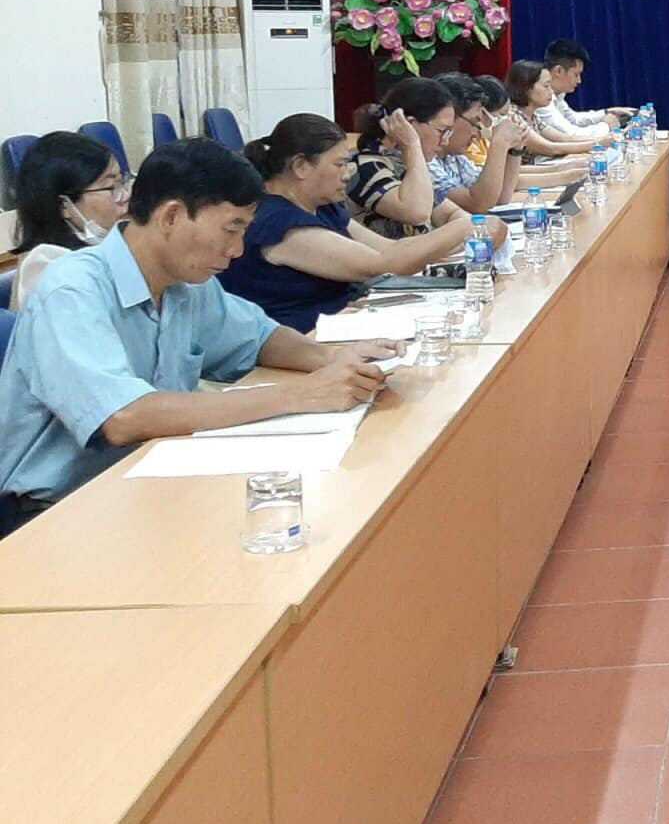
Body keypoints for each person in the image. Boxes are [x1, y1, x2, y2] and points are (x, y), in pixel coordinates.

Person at [0, 139, 397, 533]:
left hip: (148, 477)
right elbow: (123, 418)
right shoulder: (72, 289)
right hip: (55, 512)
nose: (237, 250)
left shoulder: (185, 282)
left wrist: (333, 359)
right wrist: (302, 394)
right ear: (171, 216)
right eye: (231, 229)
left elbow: (260, 337)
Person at [224, 115, 491, 332]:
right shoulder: (278, 223)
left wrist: (460, 237)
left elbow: (388, 248)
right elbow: (386, 263)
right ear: (301, 166)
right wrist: (468, 226)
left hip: (344, 325)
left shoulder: (322, 206)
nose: (346, 175)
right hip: (304, 343)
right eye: (339, 165)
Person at [9, 132, 128, 305]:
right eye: (111, 187)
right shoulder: (46, 266)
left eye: (122, 182)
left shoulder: (113, 245)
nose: (125, 196)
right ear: (64, 206)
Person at [346, 77, 466, 239]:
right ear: (409, 125)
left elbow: (451, 214)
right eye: (442, 131)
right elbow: (417, 212)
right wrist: (411, 144)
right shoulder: (364, 167)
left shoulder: (406, 164)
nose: (445, 141)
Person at [428, 74, 524, 213]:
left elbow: (499, 197)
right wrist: (499, 144)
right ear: (449, 117)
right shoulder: (425, 159)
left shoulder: (454, 157)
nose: (477, 132)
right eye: (474, 122)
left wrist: (516, 150)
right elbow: (478, 205)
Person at [507, 59, 606, 157]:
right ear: (526, 88)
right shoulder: (514, 118)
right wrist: (599, 144)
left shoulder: (534, 117)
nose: (551, 91)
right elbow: (551, 149)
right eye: (546, 86)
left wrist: (601, 140)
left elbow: (565, 139)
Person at [538, 38, 631, 139]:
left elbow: (573, 119)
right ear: (559, 71)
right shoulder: (539, 98)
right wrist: (606, 126)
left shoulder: (557, 95)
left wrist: (607, 112)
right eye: (576, 74)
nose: (579, 81)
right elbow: (570, 135)